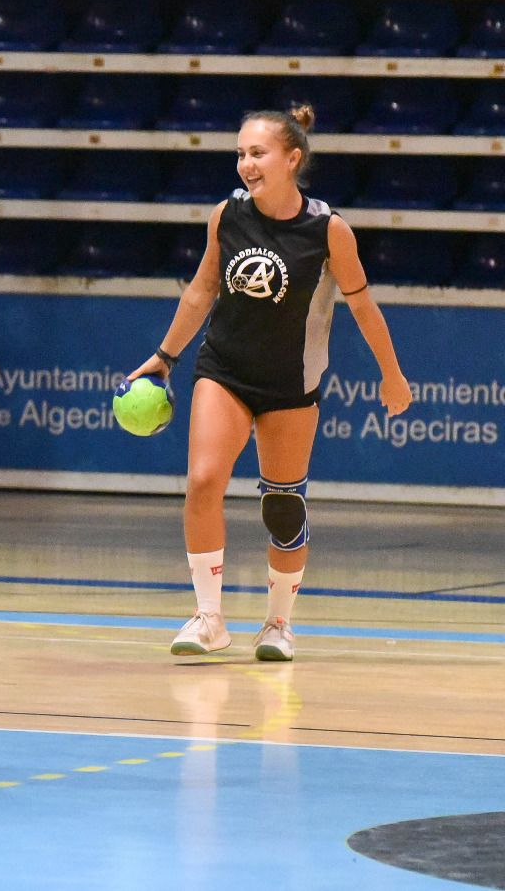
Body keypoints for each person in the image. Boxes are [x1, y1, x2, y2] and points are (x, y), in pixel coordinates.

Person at [125, 104, 411, 663]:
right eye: (240, 154)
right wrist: (164, 356)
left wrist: (392, 374)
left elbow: (364, 307)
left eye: (257, 153)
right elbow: (202, 291)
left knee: (282, 507)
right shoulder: (227, 216)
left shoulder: (328, 230)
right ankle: (209, 618)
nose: (245, 164)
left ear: (292, 159)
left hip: (291, 385)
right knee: (204, 480)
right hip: (225, 371)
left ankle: (279, 623)